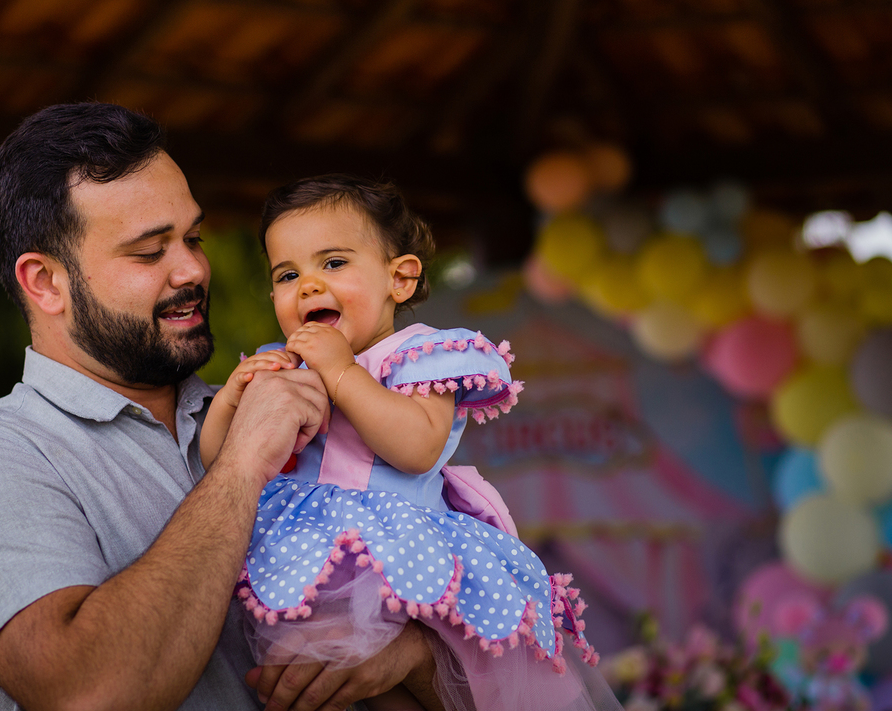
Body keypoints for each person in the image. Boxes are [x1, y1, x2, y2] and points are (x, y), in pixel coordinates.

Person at [0, 103, 448, 711]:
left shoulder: (298, 404)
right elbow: (87, 693)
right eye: (150, 252)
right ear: (45, 282)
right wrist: (240, 466)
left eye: (193, 238)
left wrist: (413, 658)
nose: (193, 268)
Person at [198, 176, 609, 711]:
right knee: (307, 678)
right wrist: (233, 400)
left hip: (396, 553)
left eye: (334, 263)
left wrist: (342, 373)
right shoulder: (289, 364)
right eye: (288, 274)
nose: (309, 286)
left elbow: (416, 449)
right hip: (308, 552)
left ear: (400, 279)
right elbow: (221, 463)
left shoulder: (420, 356)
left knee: (390, 677)